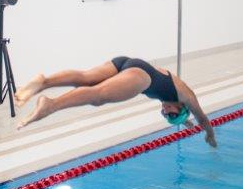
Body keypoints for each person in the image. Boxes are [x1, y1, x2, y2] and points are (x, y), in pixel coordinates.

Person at [14, 56, 218, 147]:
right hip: (141, 77)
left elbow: (186, 117)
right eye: (171, 114)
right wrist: (209, 135)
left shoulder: (173, 99)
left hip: (125, 62)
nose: (165, 112)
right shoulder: (186, 96)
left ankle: (44, 82)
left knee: (87, 77)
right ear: (182, 107)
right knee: (98, 96)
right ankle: (51, 104)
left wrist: (185, 122)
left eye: (166, 116)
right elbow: (202, 117)